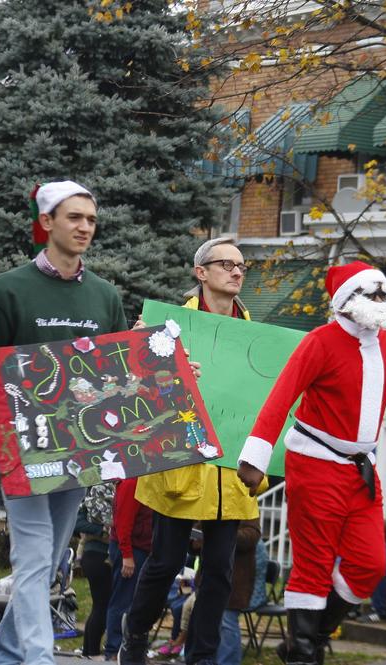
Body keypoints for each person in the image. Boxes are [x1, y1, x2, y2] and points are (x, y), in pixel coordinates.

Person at [236, 261, 386, 665]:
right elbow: (281, 396)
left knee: (369, 565)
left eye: (385, 294)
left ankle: (307, 638)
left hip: (361, 470)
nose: (383, 302)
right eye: (374, 295)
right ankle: (304, 653)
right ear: (348, 301)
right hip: (315, 463)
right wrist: (255, 456)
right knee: (313, 565)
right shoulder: (320, 341)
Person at [0, 180, 129, 665]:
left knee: (50, 560)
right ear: (47, 222)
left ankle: (8, 649)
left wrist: (174, 372)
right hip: (21, 446)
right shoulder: (8, 289)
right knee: (33, 558)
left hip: (80, 446)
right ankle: (38, 657)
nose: (85, 227)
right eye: (74, 217)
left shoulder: (104, 295)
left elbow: (118, 369)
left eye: (91, 220)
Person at [119, 237, 262, 665]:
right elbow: (131, 388)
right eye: (227, 265)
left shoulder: (254, 335)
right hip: (182, 463)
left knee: (218, 570)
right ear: (201, 273)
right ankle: (136, 635)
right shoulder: (171, 326)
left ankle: (202, 656)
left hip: (228, 469)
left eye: (242, 266)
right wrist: (170, 375)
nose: (237, 272)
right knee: (163, 563)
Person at [104, 477, 153, 660]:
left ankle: (126, 648)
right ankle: (113, 649)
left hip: (140, 547)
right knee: (122, 600)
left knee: (131, 601)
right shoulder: (132, 481)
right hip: (131, 549)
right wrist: (127, 555)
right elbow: (123, 521)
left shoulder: (144, 480)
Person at [76, 482, 117, 660]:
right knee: (103, 604)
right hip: (97, 555)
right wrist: (102, 530)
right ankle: (92, 651)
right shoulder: (95, 495)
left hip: (98, 555)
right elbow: (78, 523)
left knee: (100, 605)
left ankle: (88, 650)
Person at [217, 518, 262, 665]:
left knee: (227, 623)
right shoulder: (210, 502)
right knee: (209, 624)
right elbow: (197, 535)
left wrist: (223, 534)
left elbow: (252, 536)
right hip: (210, 578)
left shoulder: (246, 502)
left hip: (235, 581)